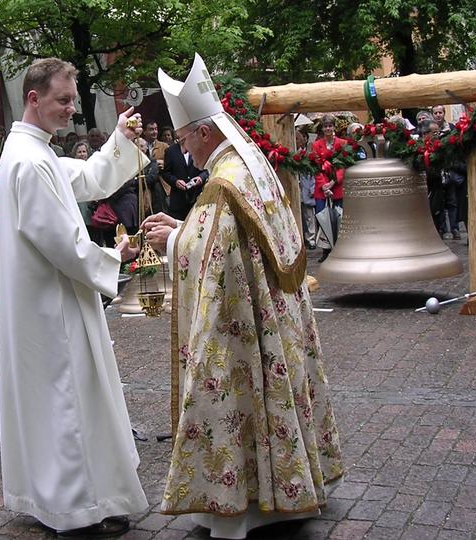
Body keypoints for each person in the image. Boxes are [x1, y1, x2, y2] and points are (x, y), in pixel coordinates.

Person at [142, 54, 343, 539]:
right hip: (269, 318)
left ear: (204, 132)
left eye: (186, 136)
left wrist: (170, 240)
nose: (183, 145)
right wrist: (184, 227)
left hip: (243, 325)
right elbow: (225, 239)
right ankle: (285, 491)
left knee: (237, 396)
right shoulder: (249, 163)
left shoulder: (223, 181)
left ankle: (241, 505)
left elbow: (214, 257)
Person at [0, 57, 148, 537]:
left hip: (46, 304)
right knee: (66, 402)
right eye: (63, 100)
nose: (70, 109)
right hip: (51, 310)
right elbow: (62, 242)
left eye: (73, 100)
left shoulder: (32, 151)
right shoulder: (29, 159)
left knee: (65, 401)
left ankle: (76, 499)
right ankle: (75, 510)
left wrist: (120, 137)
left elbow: (88, 178)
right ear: (33, 98)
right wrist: (115, 255)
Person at [311, 114, 347, 262]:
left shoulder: (342, 143)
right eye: (325, 126)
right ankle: (326, 249)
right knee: (322, 217)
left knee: (339, 217)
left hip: (337, 186)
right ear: (322, 128)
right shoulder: (316, 145)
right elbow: (316, 167)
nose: (328, 128)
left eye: (330, 126)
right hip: (322, 188)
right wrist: (324, 185)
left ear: (334, 127)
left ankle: (340, 248)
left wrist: (333, 182)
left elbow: (343, 165)